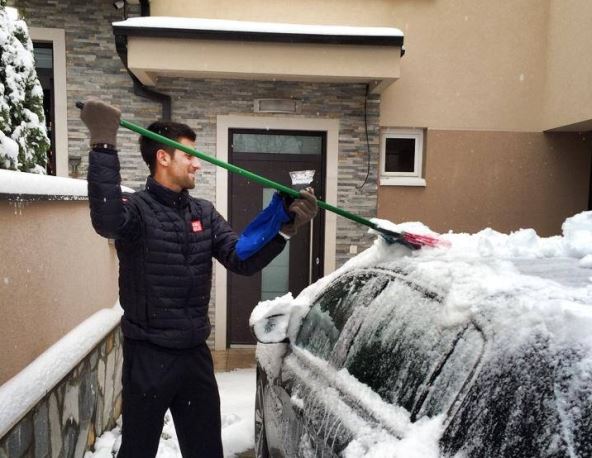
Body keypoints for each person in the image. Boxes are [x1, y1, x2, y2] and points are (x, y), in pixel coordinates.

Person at [80, 99, 318, 458]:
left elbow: (241, 258)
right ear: (163, 157)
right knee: (138, 451)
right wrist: (102, 143)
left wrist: (283, 228)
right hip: (148, 357)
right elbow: (106, 219)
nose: (197, 163)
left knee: (206, 450)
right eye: (189, 155)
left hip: (194, 356)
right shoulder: (137, 210)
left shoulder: (203, 212)